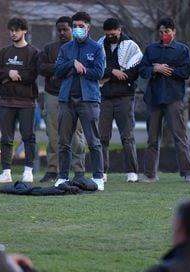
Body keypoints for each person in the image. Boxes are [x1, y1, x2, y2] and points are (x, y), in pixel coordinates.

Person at [54, 11, 106, 191]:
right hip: (66, 99)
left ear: (88, 27)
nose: (77, 29)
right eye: (74, 26)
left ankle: (98, 177)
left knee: (94, 141)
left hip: (89, 99)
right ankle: (62, 177)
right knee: (63, 141)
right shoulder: (66, 48)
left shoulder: (97, 48)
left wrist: (82, 69)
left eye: (80, 26)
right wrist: (72, 63)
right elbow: (58, 70)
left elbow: (98, 73)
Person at [139, 17, 190, 183]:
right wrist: (155, 68)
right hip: (153, 98)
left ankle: (187, 173)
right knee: (152, 139)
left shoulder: (182, 50)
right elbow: (142, 70)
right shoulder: (150, 49)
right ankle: (150, 174)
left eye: (167, 32)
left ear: (174, 31)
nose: (164, 34)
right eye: (161, 32)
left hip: (174, 97)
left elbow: (185, 72)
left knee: (180, 137)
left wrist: (169, 70)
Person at [38, 16, 86, 183]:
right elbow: (41, 67)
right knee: (52, 134)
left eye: (65, 29)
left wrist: (59, 71)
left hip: (74, 96)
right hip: (52, 95)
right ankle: (52, 170)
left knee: (76, 135)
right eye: (59, 30)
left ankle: (78, 170)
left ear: (72, 29)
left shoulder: (80, 48)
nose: (62, 33)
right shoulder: (49, 48)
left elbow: (84, 68)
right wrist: (63, 68)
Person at [0, 17, 40, 183]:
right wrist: (8, 74)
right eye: (11, 30)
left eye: (17, 30)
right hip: (6, 102)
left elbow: (31, 75)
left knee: (28, 136)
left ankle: (28, 171)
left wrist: (10, 75)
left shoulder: (33, 53)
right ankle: (6, 172)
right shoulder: (3, 52)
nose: (13, 33)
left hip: (27, 102)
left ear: (24, 30)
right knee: (6, 138)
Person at [98, 17, 142, 183]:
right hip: (104, 97)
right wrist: (113, 72)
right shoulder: (99, 45)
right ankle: (102, 172)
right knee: (102, 137)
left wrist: (108, 75)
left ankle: (132, 172)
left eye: (113, 33)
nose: (110, 36)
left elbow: (132, 73)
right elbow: (96, 70)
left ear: (119, 30)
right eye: (107, 34)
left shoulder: (131, 46)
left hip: (125, 97)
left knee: (127, 136)